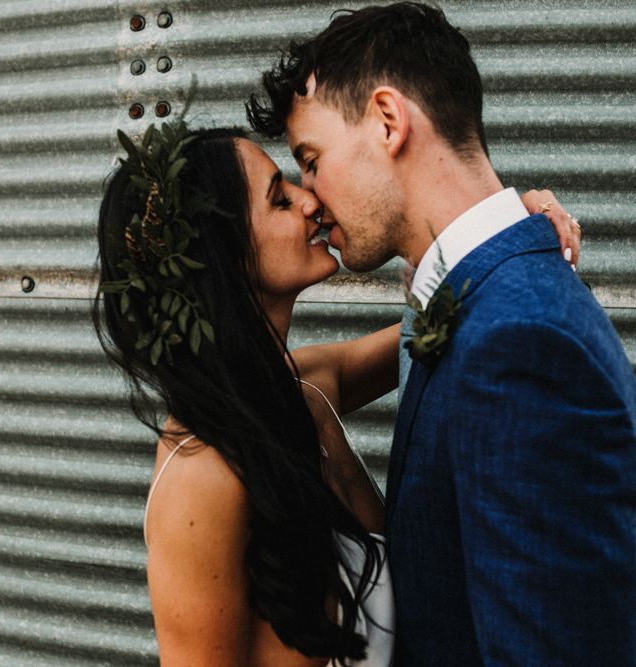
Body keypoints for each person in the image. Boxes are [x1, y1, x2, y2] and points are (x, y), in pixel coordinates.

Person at [93, 115, 576, 664]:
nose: (310, 201)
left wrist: (507, 224)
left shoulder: (305, 388)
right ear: (223, 256)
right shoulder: (202, 476)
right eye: (279, 198)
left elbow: (439, 318)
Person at [246, 2, 636, 666]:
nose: (308, 194)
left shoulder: (513, 344)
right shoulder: (471, 299)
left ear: (388, 121)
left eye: (310, 159)